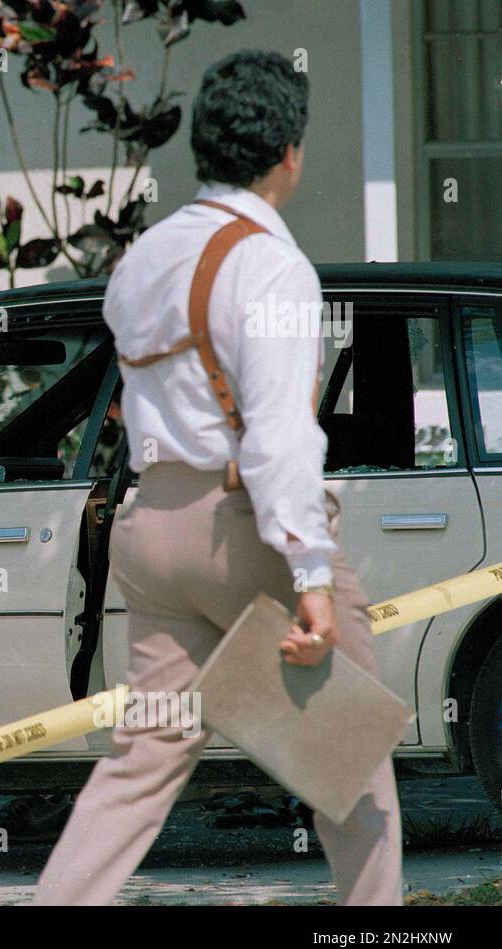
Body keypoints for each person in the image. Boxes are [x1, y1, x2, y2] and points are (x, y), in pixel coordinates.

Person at [33, 50, 403, 905]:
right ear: (291, 153)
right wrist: (311, 574)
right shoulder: (272, 267)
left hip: (151, 528)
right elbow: (277, 436)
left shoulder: (143, 260)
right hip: (244, 532)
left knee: (142, 764)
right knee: (355, 777)